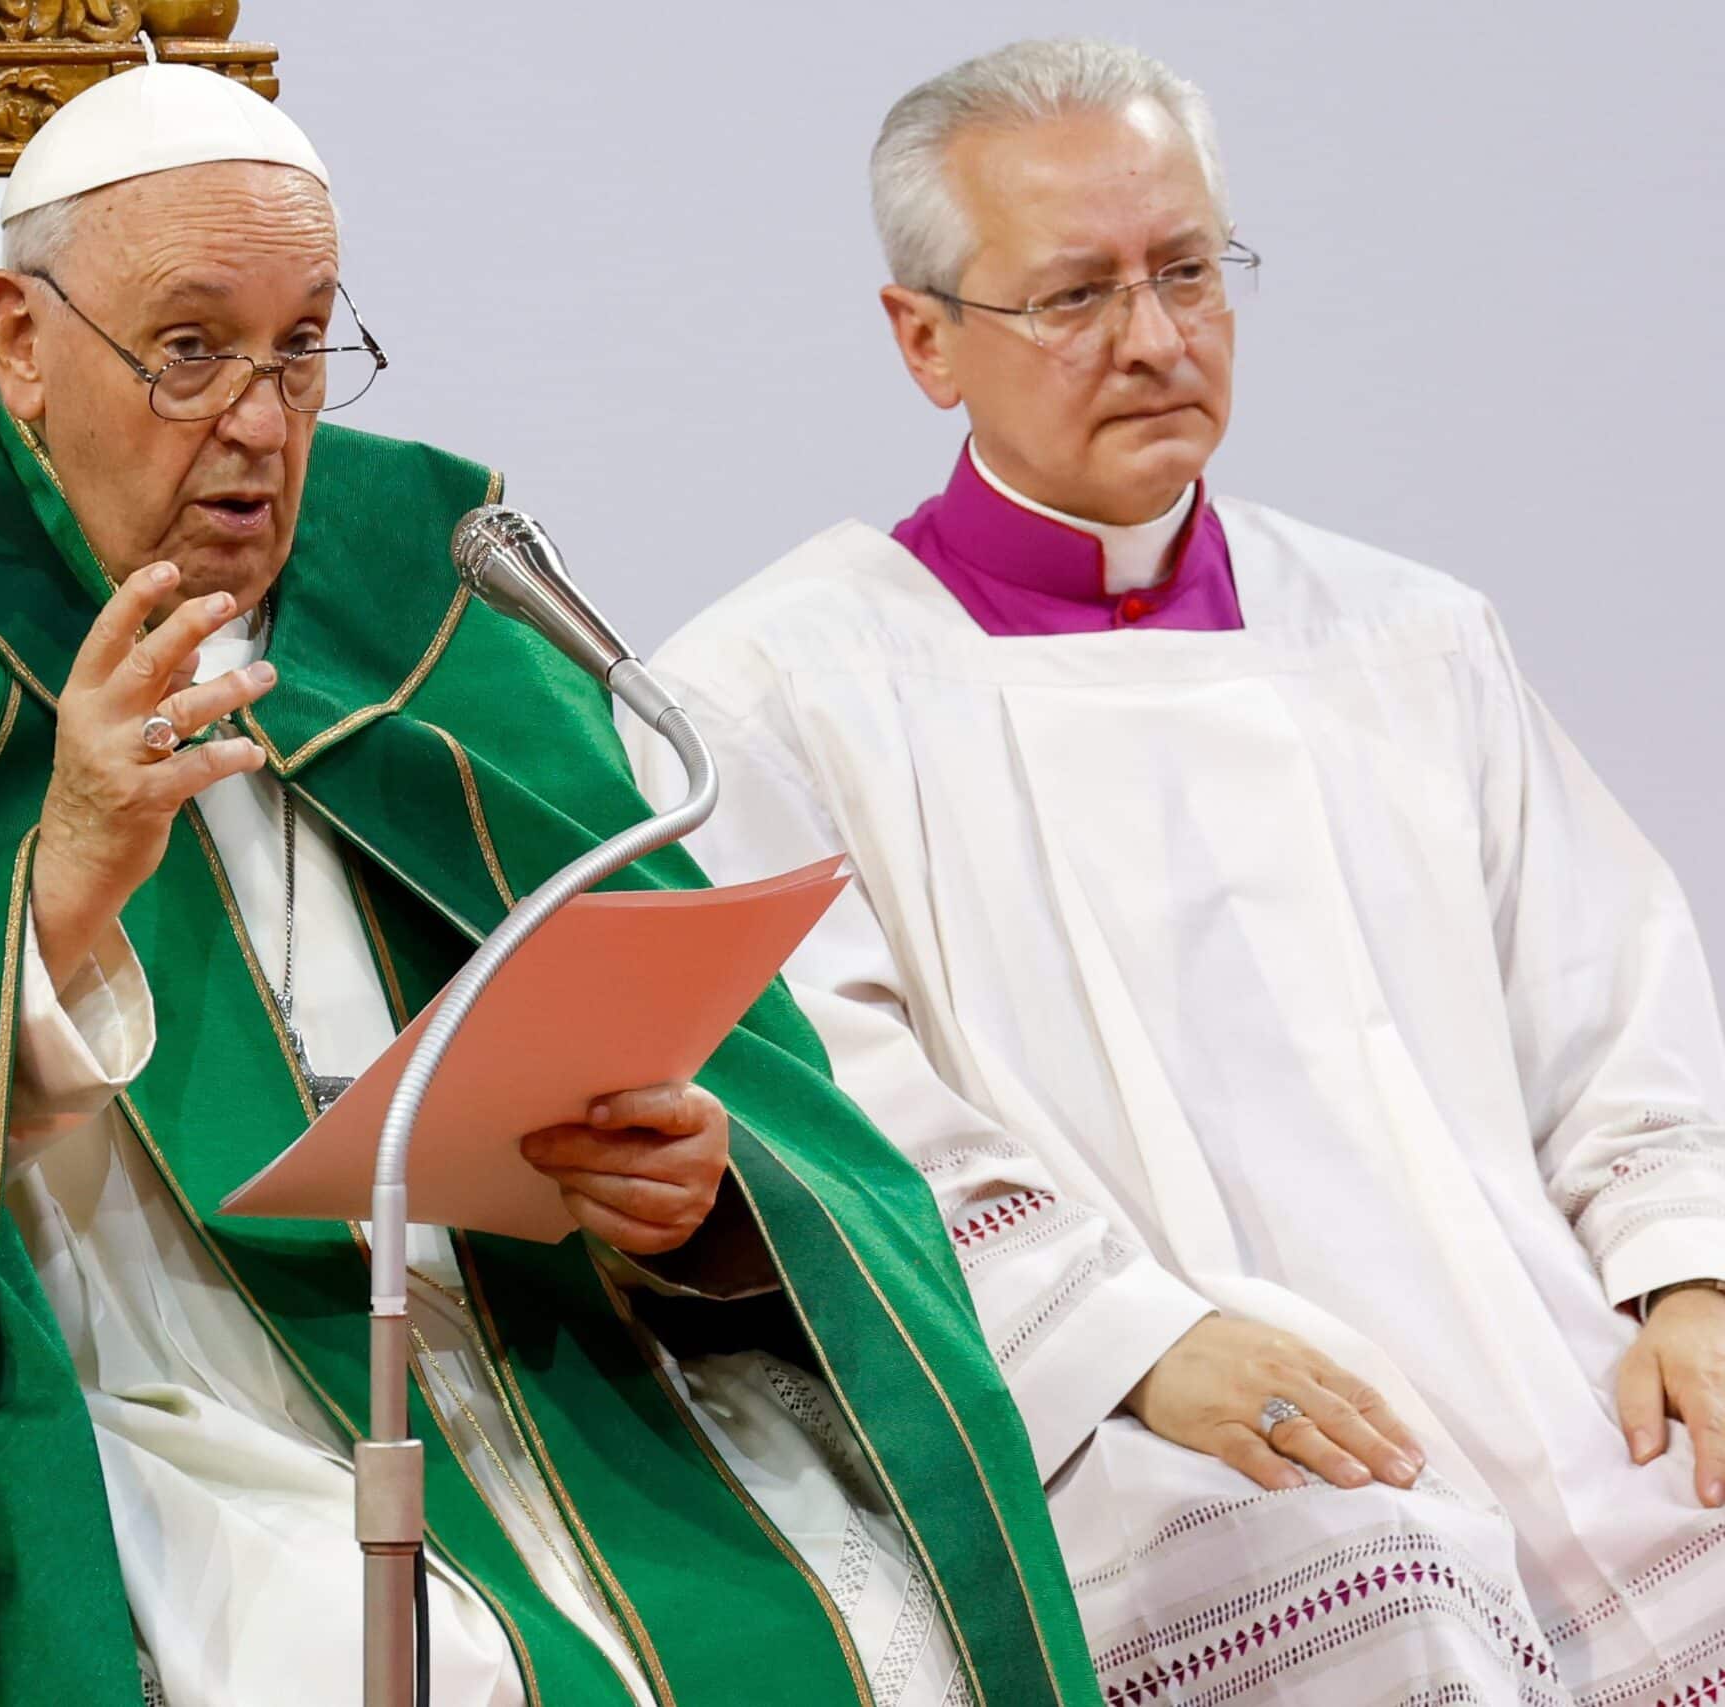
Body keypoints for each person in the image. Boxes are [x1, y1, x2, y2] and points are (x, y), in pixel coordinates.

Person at [0, 60, 1097, 1707]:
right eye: (192, 350)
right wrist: (53, 882)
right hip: (108, 1374)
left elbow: (741, 1099)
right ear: (20, 341)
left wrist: (697, 1212)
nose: (261, 425)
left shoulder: (428, 576)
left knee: (866, 1634)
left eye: (303, 349)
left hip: (515, 1339)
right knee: (433, 1667)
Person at [632, 36, 1725, 1707]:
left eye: (1190, 272)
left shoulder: (1408, 637)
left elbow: (1610, 999)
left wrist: (1686, 1273)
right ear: (923, 338)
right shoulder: (768, 696)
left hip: (1529, 1342)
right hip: (1126, 1396)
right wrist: (1129, 1341)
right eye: (1074, 295)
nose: (1154, 340)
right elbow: (841, 1120)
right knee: (1377, 1591)